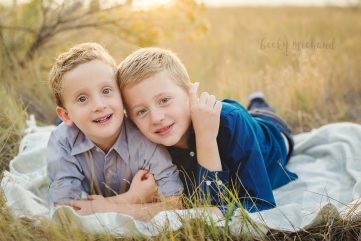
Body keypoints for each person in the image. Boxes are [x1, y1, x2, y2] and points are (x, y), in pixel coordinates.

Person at [116, 47, 298, 216]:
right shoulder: (148, 143)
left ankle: (258, 101)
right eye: (141, 111)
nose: (156, 118)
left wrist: (205, 137)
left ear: (190, 92)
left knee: (261, 112)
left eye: (164, 100)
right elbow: (208, 204)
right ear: (131, 120)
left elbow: (260, 203)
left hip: (272, 134)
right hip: (241, 120)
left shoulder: (231, 121)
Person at [47, 43, 183, 220]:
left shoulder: (145, 139)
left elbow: (176, 202)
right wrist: (131, 199)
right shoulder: (62, 141)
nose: (99, 105)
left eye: (106, 91)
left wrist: (111, 205)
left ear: (122, 97)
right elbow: (65, 210)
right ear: (66, 115)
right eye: (82, 98)